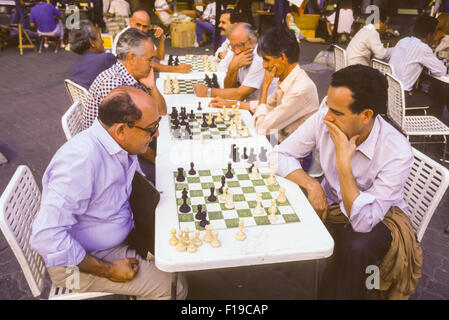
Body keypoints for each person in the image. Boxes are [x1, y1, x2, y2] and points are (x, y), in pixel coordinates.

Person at [269, 65, 422, 299]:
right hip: (333, 203)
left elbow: (363, 221)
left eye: (337, 113)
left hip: (379, 217)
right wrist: (311, 184)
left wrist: (343, 164)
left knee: (354, 246)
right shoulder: (324, 118)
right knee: (286, 204)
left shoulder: (397, 151)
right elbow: (278, 155)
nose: (327, 116)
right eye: (328, 106)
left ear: (366, 115)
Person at [30, 86, 187, 300]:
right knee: (172, 287)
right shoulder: (81, 161)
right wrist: (109, 270)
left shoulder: (121, 144)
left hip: (118, 237)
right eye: (151, 128)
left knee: (180, 255)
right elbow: (46, 236)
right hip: (73, 267)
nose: (156, 134)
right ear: (121, 130)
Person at [209, 27, 319, 143]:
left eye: (267, 60)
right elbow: (267, 105)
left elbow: (262, 127)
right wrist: (230, 104)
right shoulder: (289, 78)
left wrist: (265, 86)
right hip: (281, 143)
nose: (264, 65)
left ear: (282, 58)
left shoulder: (299, 90)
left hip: (296, 156)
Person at [86, 28, 167, 182]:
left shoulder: (135, 77)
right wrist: (159, 160)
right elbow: (126, 139)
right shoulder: (113, 84)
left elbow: (162, 112)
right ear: (132, 58)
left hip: (131, 144)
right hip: (108, 162)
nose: (153, 65)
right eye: (149, 59)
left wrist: (152, 86)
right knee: (168, 180)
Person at [194, 23, 277, 101]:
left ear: (254, 40)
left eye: (240, 45)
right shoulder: (238, 51)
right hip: (249, 105)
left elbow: (241, 95)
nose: (236, 51)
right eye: (232, 46)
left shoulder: (261, 57)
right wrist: (232, 68)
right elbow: (228, 89)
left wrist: (208, 92)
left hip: (264, 108)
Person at [389, 15, 447, 116]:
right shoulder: (422, 48)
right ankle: (431, 129)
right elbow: (441, 71)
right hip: (403, 96)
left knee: (421, 92)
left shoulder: (403, 41)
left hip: (389, 92)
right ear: (429, 35)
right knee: (437, 98)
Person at [112, 9, 191, 74]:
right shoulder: (124, 37)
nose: (141, 29)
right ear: (130, 22)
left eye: (144, 26)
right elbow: (144, 64)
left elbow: (160, 56)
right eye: (138, 24)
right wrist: (175, 69)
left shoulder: (141, 35)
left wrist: (161, 38)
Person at [69, 20, 117, 90]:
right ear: (92, 42)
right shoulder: (106, 58)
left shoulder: (74, 68)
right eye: (100, 37)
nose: (103, 41)